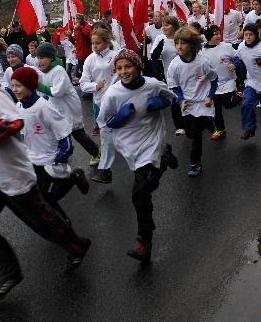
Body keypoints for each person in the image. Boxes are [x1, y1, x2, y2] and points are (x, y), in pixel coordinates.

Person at [0, 38, 91, 304]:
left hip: (11, 173)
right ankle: (9, 273)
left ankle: (77, 244)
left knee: (41, 223)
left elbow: (14, 122)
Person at [97, 48, 178, 263]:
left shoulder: (152, 85)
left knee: (140, 194)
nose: (124, 71)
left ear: (138, 66)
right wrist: (120, 118)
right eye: (120, 68)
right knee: (143, 192)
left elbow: (171, 97)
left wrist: (158, 103)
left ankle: (144, 242)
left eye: (128, 66)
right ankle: (166, 157)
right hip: (128, 145)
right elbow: (103, 122)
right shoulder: (113, 94)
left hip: (151, 140)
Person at [10, 66, 89, 220]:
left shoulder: (44, 107)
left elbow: (64, 133)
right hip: (33, 159)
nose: (14, 89)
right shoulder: (18, 107)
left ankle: (74, 177)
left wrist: (62, 155)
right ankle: (64, 224)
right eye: (13, 85)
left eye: (18, 86)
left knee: (49, 196)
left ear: (30, 86)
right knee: (43, 198)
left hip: (51, 159)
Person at [34, 42, 101, 167]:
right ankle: (63, 155)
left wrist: (40, 86)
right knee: (58, 135)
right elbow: (41, 91)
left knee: (78, 134)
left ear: (51, 58)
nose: (40, 61)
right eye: (38, 58)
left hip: (69, 108)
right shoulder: (42, 72)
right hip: (56, 109)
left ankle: (96, 152)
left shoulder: (58, 70)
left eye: (42, 57)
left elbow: (58, 91)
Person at [167, 26, 218, 176]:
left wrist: (210, 96)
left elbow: (214, 80)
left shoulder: (203, 62)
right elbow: (174, 87)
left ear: (192, 44)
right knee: (189, 133)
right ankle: (209, 122)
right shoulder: (174, 65)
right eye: (177, 43)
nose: (179, 47)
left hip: (203, 102)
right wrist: (181, 99)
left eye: (183, 43)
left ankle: (195, 163)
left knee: (195, 134)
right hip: (187, 104)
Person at [79, 27, 118, 183]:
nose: (94, 46)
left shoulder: (116, 56)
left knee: (124, 136)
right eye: (92, 43)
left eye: (98, 43)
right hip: (101, 103)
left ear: (108, 42)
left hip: (118, 102)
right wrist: (95, 86)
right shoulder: (90, 59)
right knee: (106, 136)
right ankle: (105, 170)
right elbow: (83, 84)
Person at [234, 23, 261, 140]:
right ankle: (250, 128)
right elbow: (237, 58)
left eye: (251, 34)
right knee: (246, 104)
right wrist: (235, 66)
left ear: (256, 34)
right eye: (246, 34)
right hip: (251, 82)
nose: (248, 37)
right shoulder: (241, 46)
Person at [199, 25, 239, 140]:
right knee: (216, 109)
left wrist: (234, 64)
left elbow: (237, 57)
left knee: (228, 104)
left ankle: (239, 95)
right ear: (209, 36)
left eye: (218, 33)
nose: (218, 36)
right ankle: (220, 130)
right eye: (215, 34)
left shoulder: (227, 46)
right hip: (213, 84)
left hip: (228, 81)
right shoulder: (203, 51)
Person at [151, 16, 184, 135]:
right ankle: (179, 126)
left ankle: (195, 120)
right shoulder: (160, 39)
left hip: (185, 74)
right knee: (175, 100)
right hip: (169, 76)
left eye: (167, 25)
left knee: (188, 99)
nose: (164, 27)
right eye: (163, 25)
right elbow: (154, 57)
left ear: (174, 26)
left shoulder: (181, 38)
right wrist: (160, 46)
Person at [71, 14, 93, 78]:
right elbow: (76, 40)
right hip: (80, 54)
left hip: (87, 53)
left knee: (86, 73)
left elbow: (88, 35)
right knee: (76, 73)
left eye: (76, 19)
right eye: (74, 19)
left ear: (80, 19)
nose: (75, 21)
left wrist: (80, 28)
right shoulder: (75, 28)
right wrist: (70, 37)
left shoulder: (86, 26)